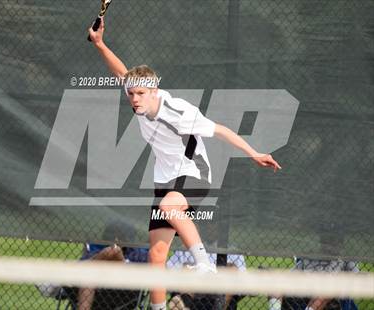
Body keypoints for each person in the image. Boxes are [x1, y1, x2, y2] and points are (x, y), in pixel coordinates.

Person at [88, 18, 281, 310]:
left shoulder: (179, 112)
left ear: (154, 91)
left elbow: (220, 130)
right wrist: (101, 43)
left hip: (194, 173)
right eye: (131, 93)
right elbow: (120, 72)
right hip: (166, 181)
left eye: (141, 94)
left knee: (170, 207)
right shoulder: (137, 100)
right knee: (156, 256)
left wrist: (253, 153)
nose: (135, 99)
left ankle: (205, 266)